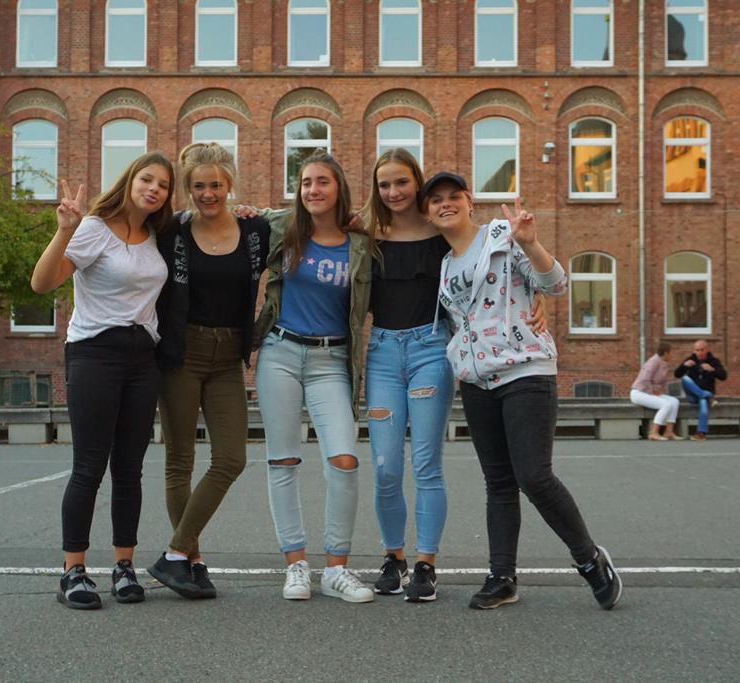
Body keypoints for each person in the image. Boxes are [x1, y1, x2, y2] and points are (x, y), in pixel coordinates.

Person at [425, 171, 622, 611]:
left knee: (534, 475)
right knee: (498, 482)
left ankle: (589, 559)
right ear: (428, 213)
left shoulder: (502, 237)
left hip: (525, 371)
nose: (445, 204)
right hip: (477, 381)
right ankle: (502, 578)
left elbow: (556, 284)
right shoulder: (444, 265)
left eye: (453, 196)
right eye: (435, 200)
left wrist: (531, 244)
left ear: (469, 202)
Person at [362, 149, 548, 603]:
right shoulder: (364, 233)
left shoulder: (442, 235)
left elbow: (500, 268)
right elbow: (312, 219)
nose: (394, 192)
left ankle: (426, 564)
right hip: (382, 355)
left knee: (426, 463)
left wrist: (537, 298)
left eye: (402, 182)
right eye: (385, 184)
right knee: (386, 466)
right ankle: (393, 558)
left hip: (430, 351)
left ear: (417, 185)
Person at [31, 153, 174, 610]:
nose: (154, 189)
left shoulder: (157, 236)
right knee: (89, 467)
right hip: (95, 353)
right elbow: (41, 283)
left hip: (142, 358)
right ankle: (72, 572)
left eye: (163, 185)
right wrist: (64, 231)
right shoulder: (93, 228)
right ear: (129, 180)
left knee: (130, 469)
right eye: (147, 179)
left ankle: (124, 567)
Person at [147, 143, 271, 599]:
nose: (208, 194)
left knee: (231, 458)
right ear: (187, 188)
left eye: (216, 185)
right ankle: (191, 562)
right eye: (198, 186)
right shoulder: (172, 232)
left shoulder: (254, 229)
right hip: (183, 352)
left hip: (228, 356)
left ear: (229, 183)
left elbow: (299, 221)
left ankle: (175, 553)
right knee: (179, 461)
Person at [252, 150, 374, 603]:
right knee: (283, 460)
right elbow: (232, 220)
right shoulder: (282, 229)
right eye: (306, 182)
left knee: (344, 459)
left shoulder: (361, 243)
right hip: (280, 353)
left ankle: (336, 569)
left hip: (331, 360)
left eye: (322, 181)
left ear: (339, 188)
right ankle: (296, 565)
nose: (313, 189)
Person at [674, 339, 727, 441]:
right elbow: (677, 374)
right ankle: (708, 397)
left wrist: (712, 369)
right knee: (685, 378)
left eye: (702, 350)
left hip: (706, 392)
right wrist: (684, 366)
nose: (700, 353)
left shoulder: (714, 361)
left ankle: (701, 433)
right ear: (694, 350)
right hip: (692, 396)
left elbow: (723, 376)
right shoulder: (690, 359)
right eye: (697, 350)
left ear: (707, 350)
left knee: (703, 402)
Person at [630, 341, 682, 440]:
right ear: (666, 353)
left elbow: (662, 382)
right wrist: (652, 392)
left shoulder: (665, 363)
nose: (672, 355)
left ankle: (669, 432)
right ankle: (653, 432)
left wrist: (660, 391)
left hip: (650, 393)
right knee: (666, 404)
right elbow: (645, 379)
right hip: (639, 393)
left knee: (674, 401)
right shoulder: (653, 362)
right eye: (671, 352)